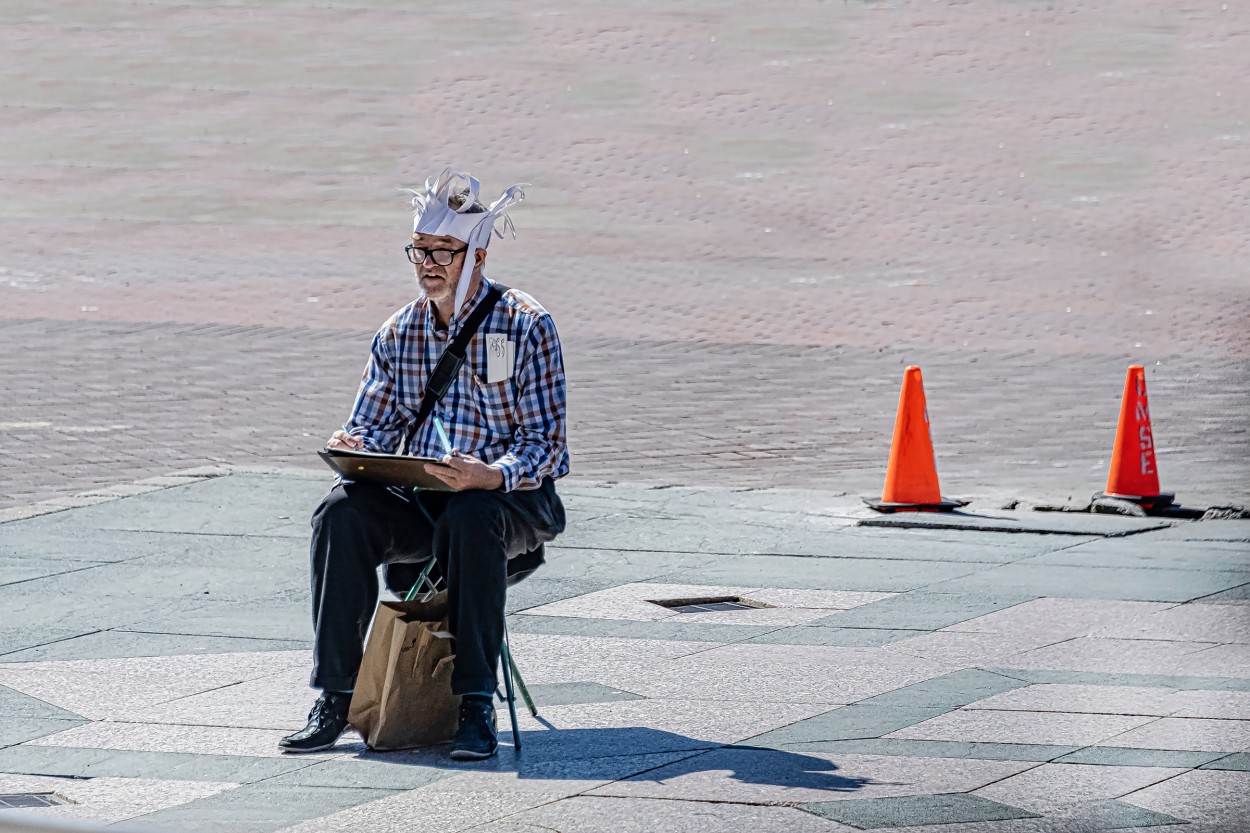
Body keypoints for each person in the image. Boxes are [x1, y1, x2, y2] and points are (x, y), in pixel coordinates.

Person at [279, 169, 568, 760]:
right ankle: (334, 695)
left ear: (478, 255)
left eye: (445, 252)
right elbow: (373, 422)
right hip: (425, 498)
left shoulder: (526, 323)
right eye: (421, 251)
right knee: (340, 512)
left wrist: (490, 474)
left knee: (471, 515)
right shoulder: (399, 332)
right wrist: (354, 446)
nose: (429, 263)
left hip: (509, 501)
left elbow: (548, 446)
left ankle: (475, 706)